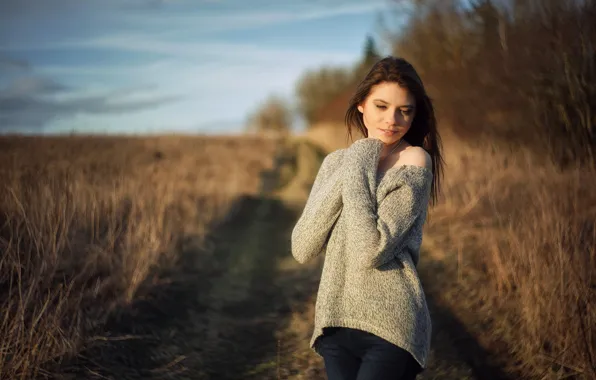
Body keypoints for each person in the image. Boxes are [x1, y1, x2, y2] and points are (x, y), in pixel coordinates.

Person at [290, 56, 444, 380]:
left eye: (405, 110)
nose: (393, 120)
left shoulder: (414, 162)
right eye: (382, 106)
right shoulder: (336, 163)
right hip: (335, 322)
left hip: (390, 325)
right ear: (362, 105)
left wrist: (361, 156)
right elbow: (303, 246)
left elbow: (370, 249)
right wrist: (355, 160)